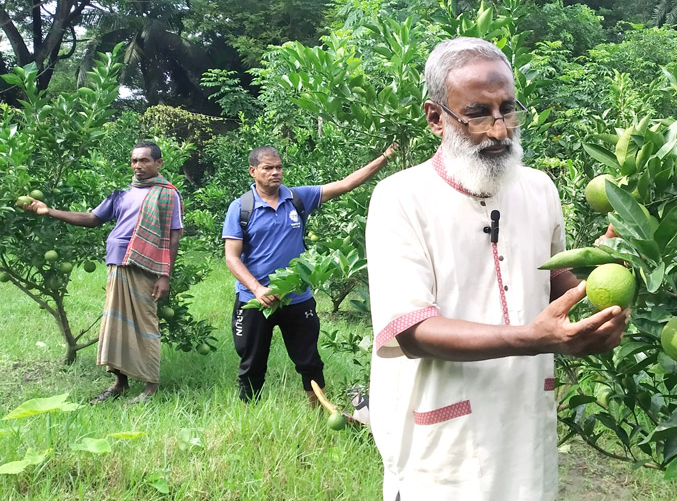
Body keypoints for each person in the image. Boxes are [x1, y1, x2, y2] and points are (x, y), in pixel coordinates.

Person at [365, 36, 630, 500]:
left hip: (525, 422)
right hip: (442, 437)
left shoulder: (539, 189)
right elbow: (410, 330)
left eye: (507, 108)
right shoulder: (399, 198)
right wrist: (534, 339)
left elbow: (550, 282)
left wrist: (601, 279)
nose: (500, 129)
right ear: (435, 117)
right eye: (477, 113)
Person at [222, 145, 394, 405]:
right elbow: (231, 257)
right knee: (251, 361)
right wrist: (257, 289)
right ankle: (249, 411)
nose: (275, 172)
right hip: (255, 299)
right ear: (253, 171)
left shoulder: (297, 198)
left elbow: (345, 184)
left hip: (297, 297)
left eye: (279, 167)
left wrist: (385, 157)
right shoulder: (241, 208)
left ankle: (319, 411)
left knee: (309, 360)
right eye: (268, 168)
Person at [21, 141, 183, 404]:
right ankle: (120, 383)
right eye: (134, 161)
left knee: (145, 325)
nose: (138, 166)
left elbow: (173, 237)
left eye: (144, 160)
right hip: (116, 265)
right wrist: (48, 210)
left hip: (145, 267)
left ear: (158, 163)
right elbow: (92, 219)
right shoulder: (120, 194)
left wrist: (165, 275)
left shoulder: (167, 194)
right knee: (116, 325)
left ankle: (150, 386)